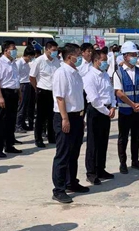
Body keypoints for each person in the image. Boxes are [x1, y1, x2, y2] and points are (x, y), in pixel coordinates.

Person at [51, 43, 88, 204]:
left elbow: (78, 97)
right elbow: (60, 98)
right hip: (65, 116)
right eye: (77, 55)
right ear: (69, 57)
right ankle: (59, 189)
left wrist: (81, 118)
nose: (80, 58)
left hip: (77, 116)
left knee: (74, 153)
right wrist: (65, 119)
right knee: (63, 154)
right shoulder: (61, 73)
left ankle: (71, 181)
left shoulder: (76, 73)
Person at [114, 41, 139, 174]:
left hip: (138, 111)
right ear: (125, 56)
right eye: (132, 55)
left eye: (136, 54)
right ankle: (122, 163)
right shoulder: (118, 73)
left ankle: (135, 160)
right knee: (123, 138)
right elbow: (119, 92)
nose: (135, 57)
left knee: (136, 136)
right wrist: (132, 104)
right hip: (125, 111)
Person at [83, 50, 116, 185]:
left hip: (107, 110)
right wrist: (106, 111)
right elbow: (94, 99)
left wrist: (113, 106)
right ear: (96, 61)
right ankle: (91, 172)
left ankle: (100, 169)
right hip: (96, 111)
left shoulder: (105, 75)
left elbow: (111, 92)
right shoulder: (89, 76)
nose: (106, 63)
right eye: (104, 60)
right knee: (93, 143)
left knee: (103, 141)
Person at [0, 41, 22, 158]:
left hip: (13, 93)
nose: (15, 51)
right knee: (1, 121)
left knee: (11, 121)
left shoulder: (14, 63)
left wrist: (19, 93)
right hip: (4, 93)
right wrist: (0, 96)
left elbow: (16, 79)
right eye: (13, 49)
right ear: (5, 50)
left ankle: (9, 145)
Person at [31, 40, 61, 147]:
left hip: (54, 92)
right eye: (53, 50)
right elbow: (32, 77)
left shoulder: (57, 61)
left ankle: (51, 137)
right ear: (47, 49)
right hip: (42, 91)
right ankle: (38, 138)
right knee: (40, 117)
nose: (55, 52)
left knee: (52, 116)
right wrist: (37, 89)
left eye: (56, 50)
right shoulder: (39, 61)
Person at [15, 46, 36, 134]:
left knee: (26, 106)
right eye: (31, 57)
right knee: (21, 106)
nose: (32, 59)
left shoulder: (27, 64)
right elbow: (16, 77)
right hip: (22, 85)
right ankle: (18, 125)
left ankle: (23, 123)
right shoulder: (19, 63)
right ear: (28, 56)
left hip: (27, 85)